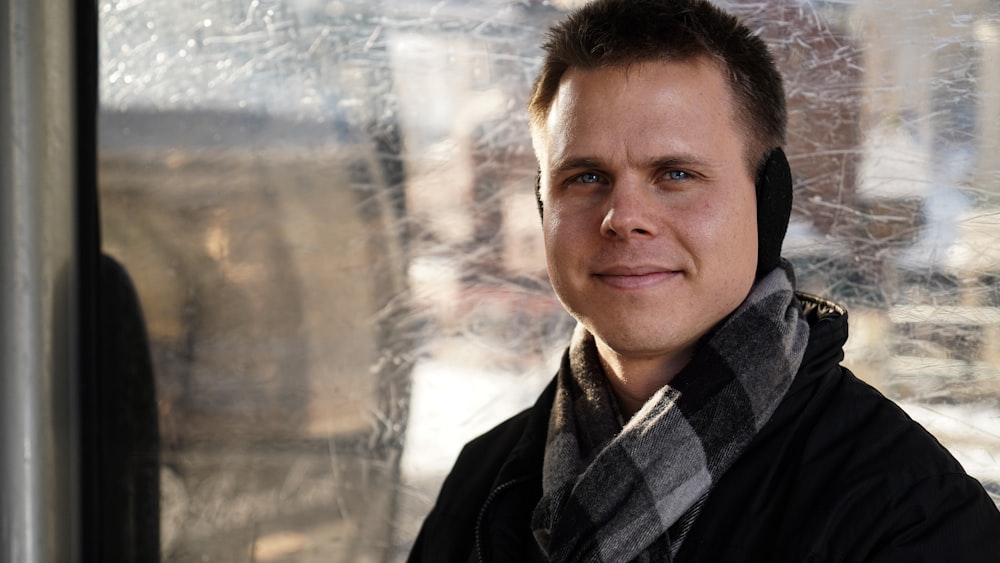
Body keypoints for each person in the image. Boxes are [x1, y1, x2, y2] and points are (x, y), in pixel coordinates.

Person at [408, 0, 1000, 561]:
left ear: (769, 202)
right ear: (544, 208)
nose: (624, 219)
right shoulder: (483, 485)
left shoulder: (904, 508)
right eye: (586, 177)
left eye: (676, 173)